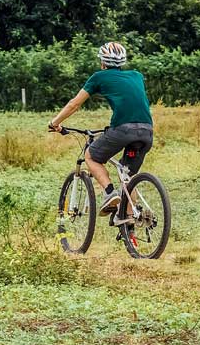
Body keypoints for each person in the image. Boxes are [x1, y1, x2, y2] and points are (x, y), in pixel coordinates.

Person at [48, 42, 153, 215]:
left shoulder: (99, 77)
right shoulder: (137, 75)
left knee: (91, 156)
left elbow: (74, 104)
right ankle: (130, 222)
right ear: (122, 62)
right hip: (147, 131)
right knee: (127, 176)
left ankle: (109, 193)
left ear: (103, 62)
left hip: (123, 130)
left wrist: (55, 122)